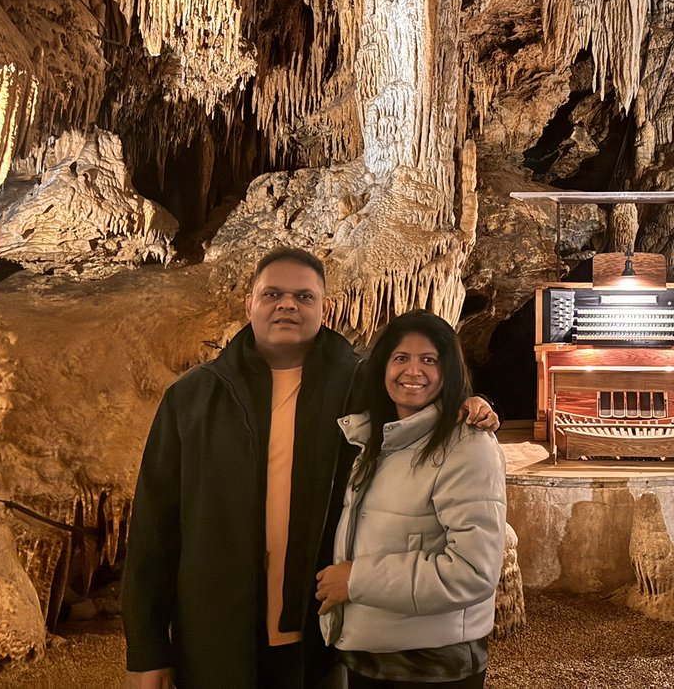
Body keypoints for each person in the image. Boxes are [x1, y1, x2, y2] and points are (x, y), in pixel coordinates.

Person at [122, 249, 499, 689]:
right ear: (250, 305)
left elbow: (426, 409)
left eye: (303, 295)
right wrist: (147, 649)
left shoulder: (362, 388)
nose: (287, 304)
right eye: (273, 293)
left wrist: (477, 406)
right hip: (216, 636)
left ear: (325, 308)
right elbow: (154, 528)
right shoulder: (192, 399)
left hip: (320, 640)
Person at [315, 310, 507, 689]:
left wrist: (356, 579)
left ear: (449, 370)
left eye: (429, 359)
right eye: (400, 357)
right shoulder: (373, 441)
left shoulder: (467, 446)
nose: (413, 371)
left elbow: (473, 572)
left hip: (430, 666)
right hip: (370, 656)